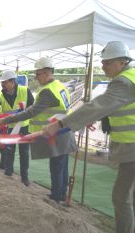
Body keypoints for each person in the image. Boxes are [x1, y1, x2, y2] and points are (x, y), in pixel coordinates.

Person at [43, 41, 135, 233]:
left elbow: (98, 105)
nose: (102, 66)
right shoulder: (130, 77)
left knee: (121, 197)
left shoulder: (124, 81)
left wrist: (61, 124)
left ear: (122, 61)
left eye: (106, 62)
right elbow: (112, 106)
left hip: (132, 147)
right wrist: (93, 117)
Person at [0, 58, 77, 199]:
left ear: (46, 72)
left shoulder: (47, 91)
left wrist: (6, 119)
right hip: (64, 130)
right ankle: (62, 193)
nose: (36, 77)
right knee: (62, 165)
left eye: (37, 74)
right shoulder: (59, 86)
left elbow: (31, 112)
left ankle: (56, 195)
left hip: (56, 132)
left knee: (56, 166)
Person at [0, 70, 34, 186]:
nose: (2, 85)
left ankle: (24, 177)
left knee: (24, 153)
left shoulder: (25, 91)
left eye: (4, 82)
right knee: (9, 151)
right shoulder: (0, 94)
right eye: (1, 83)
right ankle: (8, 173)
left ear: (12, 82)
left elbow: (33, 107)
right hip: (10, 127)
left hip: (23, 127)